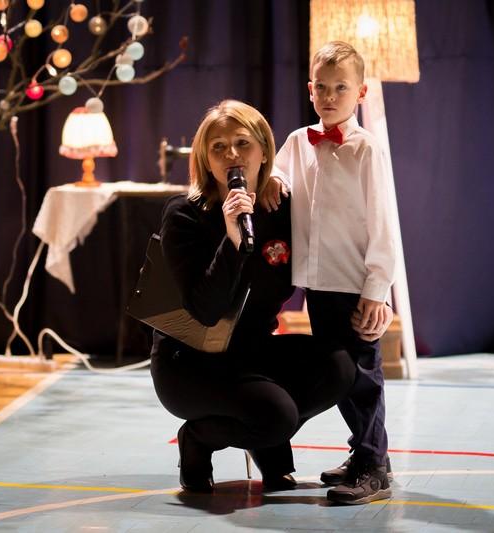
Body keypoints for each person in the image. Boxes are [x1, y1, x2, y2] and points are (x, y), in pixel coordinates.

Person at [150, 99, 393, 494]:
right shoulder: (184, 214)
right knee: (276, 416)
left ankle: (265, 431)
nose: (232, 154)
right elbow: (206, 310)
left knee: (339, 366)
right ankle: (199, 438)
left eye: (243, 143)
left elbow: (335, 249)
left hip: (251, 351)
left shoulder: (280, 210)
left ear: (265, 152)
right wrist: (232, 239)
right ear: (205, 159)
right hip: (191, 364)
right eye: (218, 147)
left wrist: (376, 296)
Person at [263, 41, 398, 505]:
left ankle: (374, 467)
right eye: (321, 87)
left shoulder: (366, 150)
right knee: (340, 377)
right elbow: (280, 175)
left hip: (356, 286)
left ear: (360, 92)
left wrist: (377, 290)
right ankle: (365, 453)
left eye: (340, 87)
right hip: (319, 285)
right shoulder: (298, 141)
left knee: (363, 379)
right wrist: (276, 180)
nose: (329, 95)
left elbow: (384, 224)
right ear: (310, 89)